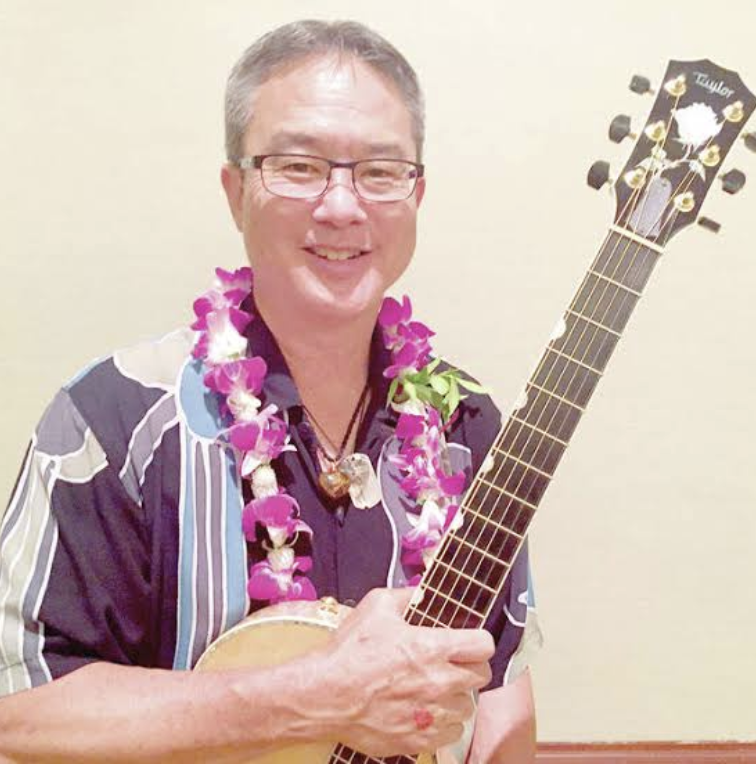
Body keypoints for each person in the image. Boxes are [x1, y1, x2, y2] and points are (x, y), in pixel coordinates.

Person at [0, 20, 539, 762]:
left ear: (418, 195)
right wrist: (317, 698)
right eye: (299, 165)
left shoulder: (464, 426)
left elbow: (499, 684)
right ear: (236, 190)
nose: (342, 207)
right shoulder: (111, 419)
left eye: (381, 172)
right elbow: (17, 711)